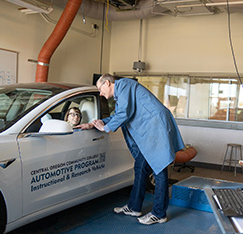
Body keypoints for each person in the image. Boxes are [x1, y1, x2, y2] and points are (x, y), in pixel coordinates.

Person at [77, 74, 185, 225]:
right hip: (151, 129)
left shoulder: (123, 85)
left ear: (107, 83)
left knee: (159, 169)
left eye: (100, 89)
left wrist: (105, 127)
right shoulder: (122, 93)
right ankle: (134, 207)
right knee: (140, 166)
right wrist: (92, 124)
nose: (100, 94)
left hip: (155, 127)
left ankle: (159, 213)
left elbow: (124, 114)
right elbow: (119, 114)